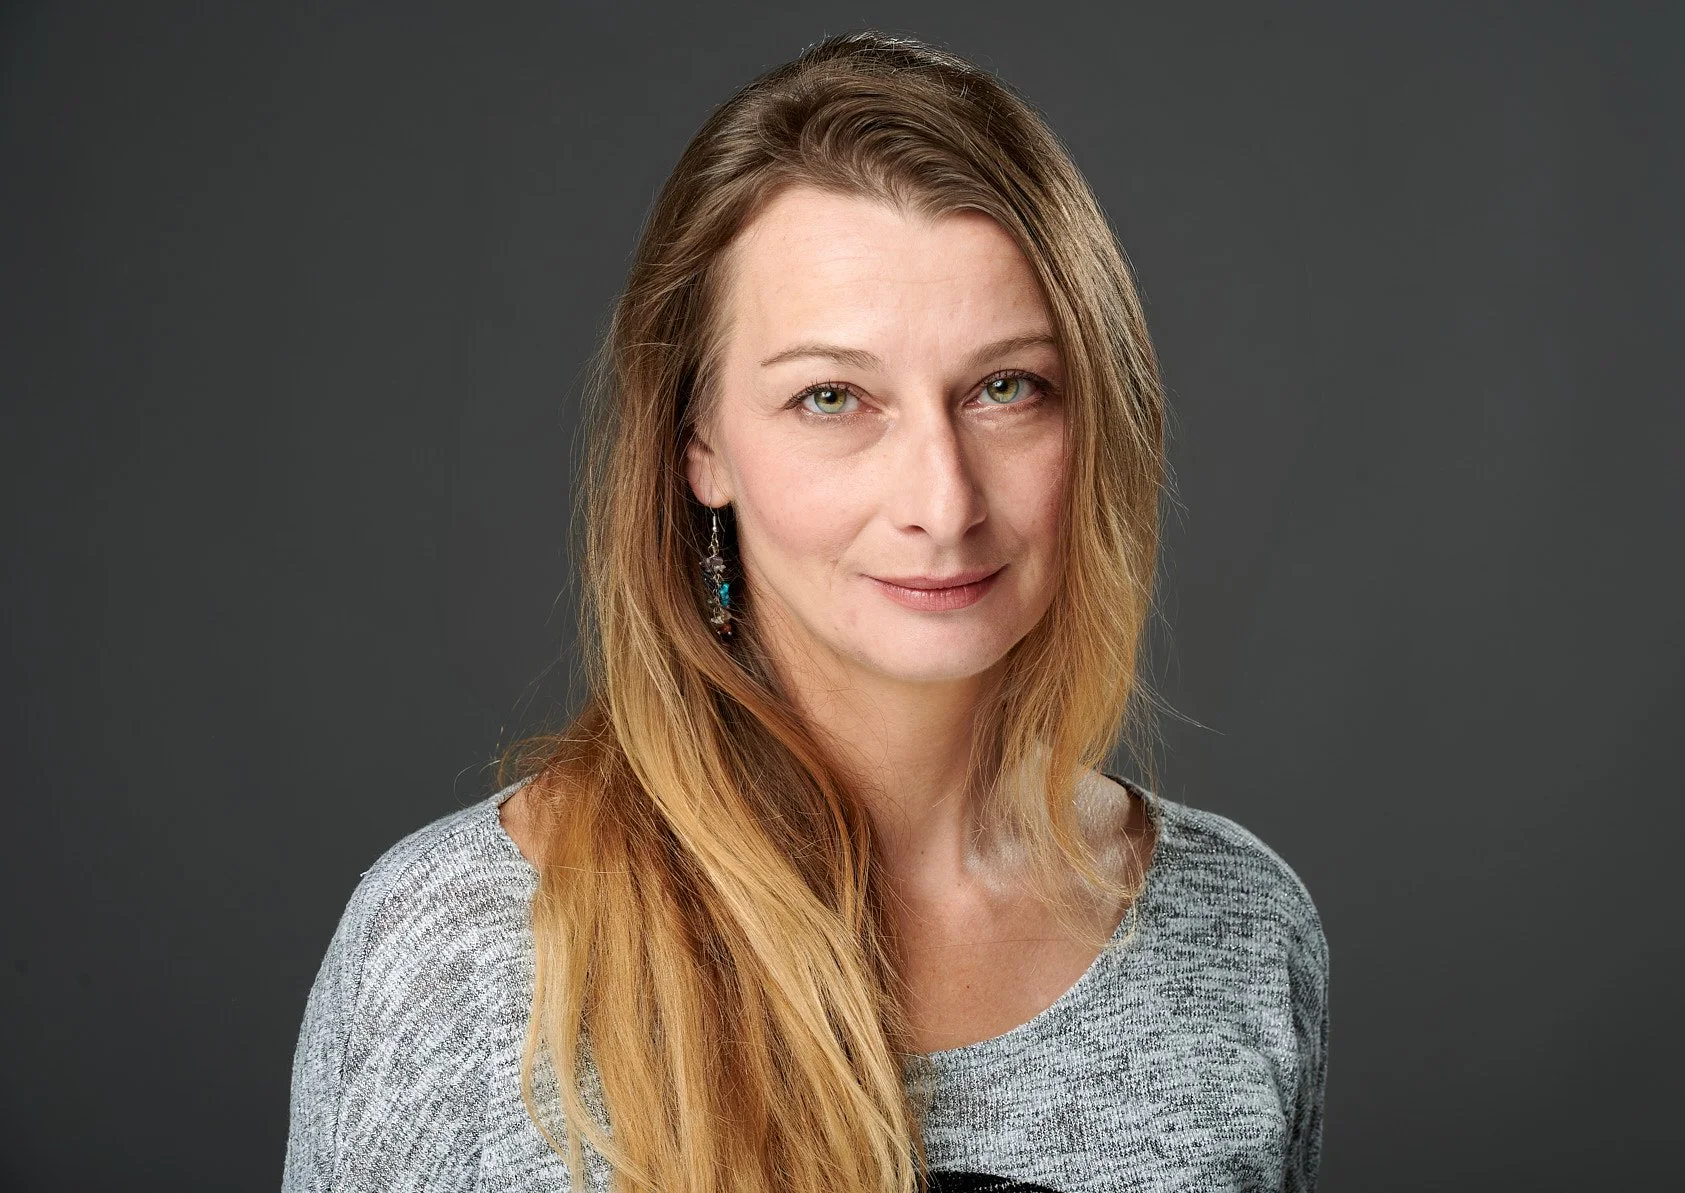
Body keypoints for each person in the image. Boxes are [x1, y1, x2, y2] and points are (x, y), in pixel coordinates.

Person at [282, 29, 1328, 1193]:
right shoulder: (464, 949)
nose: (942, 499)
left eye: (1006, 388)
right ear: (701, 447)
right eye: (833, 396)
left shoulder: (1240, 932)